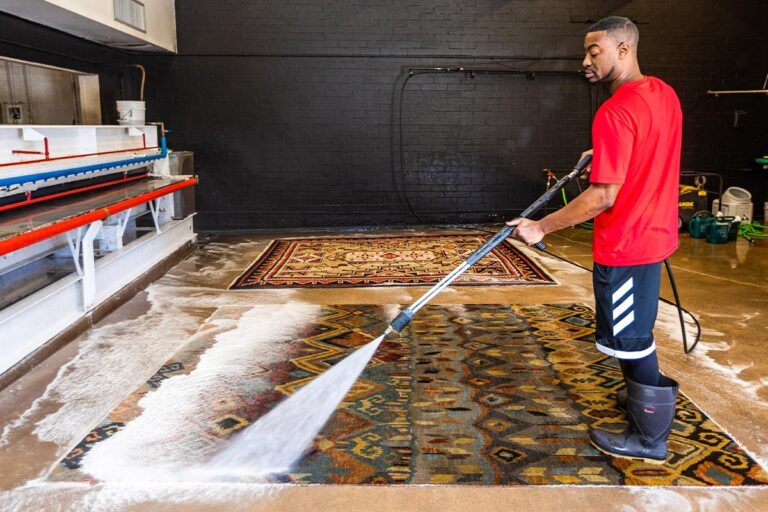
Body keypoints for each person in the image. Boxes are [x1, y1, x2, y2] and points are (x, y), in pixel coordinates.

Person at [507, 16, 682, 464]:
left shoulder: (615, 110)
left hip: (628, 244)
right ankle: (643, 403)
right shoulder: (662, 93)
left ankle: (649, 439)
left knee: (630, 338)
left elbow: (604, 196)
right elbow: (647, 147)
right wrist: (603, 153)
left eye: (594, 52)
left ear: (623, 50)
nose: (585, 61)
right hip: (656, 235)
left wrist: (540, 226)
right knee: (635, 327)